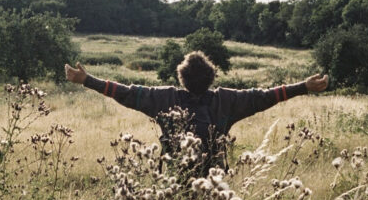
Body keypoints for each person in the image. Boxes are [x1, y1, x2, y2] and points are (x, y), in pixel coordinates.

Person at [64, 51, 328, 171]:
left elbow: (125, 92)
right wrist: (303, 86)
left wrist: (87, 80)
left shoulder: (163, 99)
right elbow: (264, 97)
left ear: (182, 77)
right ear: (212, 77)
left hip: (173, 183)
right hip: (214, 183)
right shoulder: (227, 101)